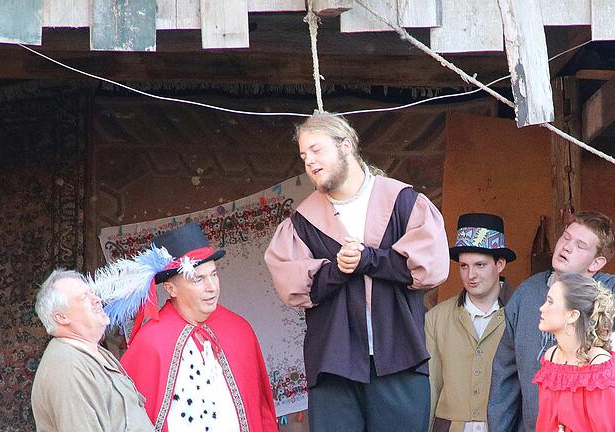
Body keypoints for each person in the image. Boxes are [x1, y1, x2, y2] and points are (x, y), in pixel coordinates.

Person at [265, 112, 450, 432]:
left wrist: (370, 260)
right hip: (334, 368)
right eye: (304, 156)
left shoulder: (403, 202)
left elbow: (431, 266)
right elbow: (291, 283)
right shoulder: (303, 222)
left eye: (317, 150)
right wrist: (337, 269)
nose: (310, 161)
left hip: (398, 362)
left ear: (346, 146)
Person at [106, 222, 278, 432]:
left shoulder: (239, 330)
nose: (212, 287)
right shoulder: (151, 341)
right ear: (171, 288)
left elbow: (261, 409)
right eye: (198, 279)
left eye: (214, 274)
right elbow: (128, 419)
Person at [487, 211, 615, 432]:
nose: (566, 247)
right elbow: (504, 376)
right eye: (566, 237)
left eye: (580, 245)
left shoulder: (610, 291)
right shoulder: (527, 292)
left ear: (597, 262)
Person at [31, 269, 154, 432]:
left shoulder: (91, 351)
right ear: (61, 317)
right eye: (84, 297)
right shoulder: (68, 367)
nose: (96, 299)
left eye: (92, 293)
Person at [426, 213, 516, 432]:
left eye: (480, 265)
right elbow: (431, 385)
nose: (471, 275)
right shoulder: (436, 317)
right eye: (464, 266)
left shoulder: (521, 313)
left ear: (500, 264)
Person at [533, 272, 615, 432]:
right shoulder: (551, 356)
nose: (542, 308)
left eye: (550, 302)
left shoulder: (600, 366)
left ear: (572, 315)